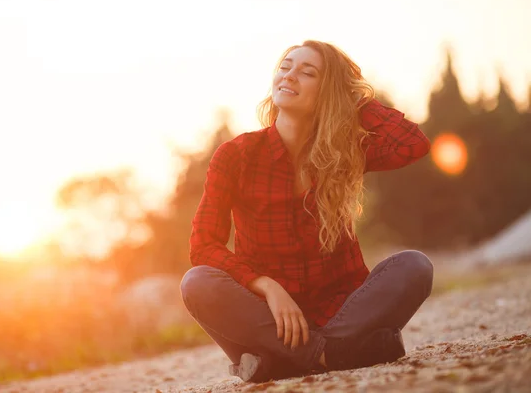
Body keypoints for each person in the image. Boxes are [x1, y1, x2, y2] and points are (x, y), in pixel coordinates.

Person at [180, 40, 434, 383]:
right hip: (269, 320)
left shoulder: (345, 153)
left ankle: (282, 363)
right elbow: (203, 245)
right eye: (285, 66)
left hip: (343, 314)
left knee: (415, 266)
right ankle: (341, 354)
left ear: (327, 91)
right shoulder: (236, 156)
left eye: (307, 72)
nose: (290, 75)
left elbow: (412, 144)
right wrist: (267, 287)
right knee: (196, 282)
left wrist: (354, 101)